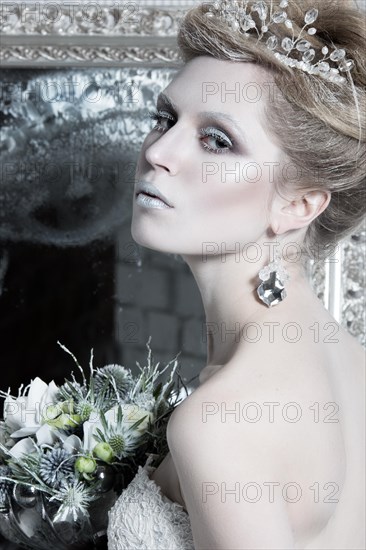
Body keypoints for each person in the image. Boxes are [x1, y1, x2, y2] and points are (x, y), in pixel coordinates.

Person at [107, 0, 366, 548]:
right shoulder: (350, 359)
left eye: (217, 140)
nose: (159, 152)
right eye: (165, 119)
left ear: (298, 206)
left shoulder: (220, 424)